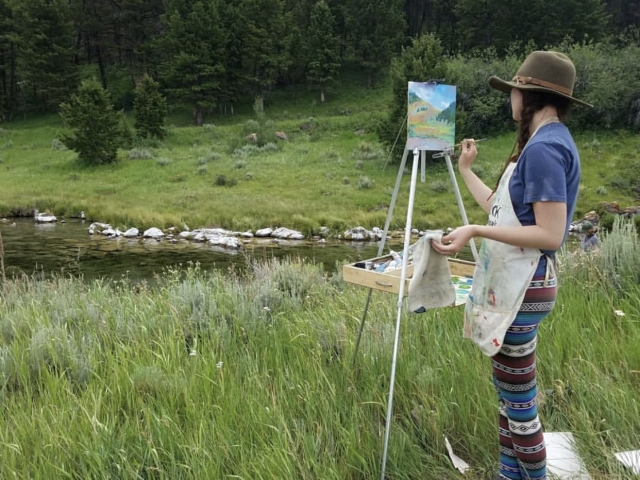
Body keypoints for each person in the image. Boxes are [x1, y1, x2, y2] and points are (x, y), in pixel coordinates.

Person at [432, 51, 591, 480]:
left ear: (529, 95)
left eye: (514, 92)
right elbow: (503, 211)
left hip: (524, 287)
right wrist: (467, 172)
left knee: (520, 408)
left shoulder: (544, 150)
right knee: (510, 398)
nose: (511, 100)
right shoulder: (545, 143)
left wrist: (476, 232)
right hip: (523, 287)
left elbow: (549, 234)